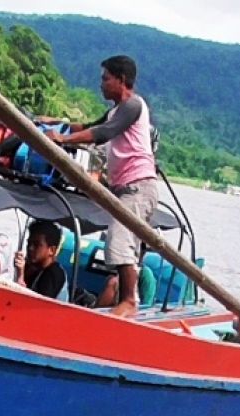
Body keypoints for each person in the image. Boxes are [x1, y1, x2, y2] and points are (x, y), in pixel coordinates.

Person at [46, 55, 156, 317]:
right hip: (125, 189)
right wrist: (54, 123)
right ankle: (127, 301)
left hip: (138, 187)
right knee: (123, 243)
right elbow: (89, 127)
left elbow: (103, 133)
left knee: (118, 240)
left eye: (106, 79)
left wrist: (62, 139)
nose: (101, 84)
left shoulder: (133, 105)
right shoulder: (116, 111)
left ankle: (128, 301)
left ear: (121, 80)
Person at [20, 220, 68, 299]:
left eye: (36, 245)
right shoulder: (36, 270)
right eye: (29, 243)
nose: (30, 248)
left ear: (51, 250)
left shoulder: (54, 273)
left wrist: (20, 276)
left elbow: (38, 304)